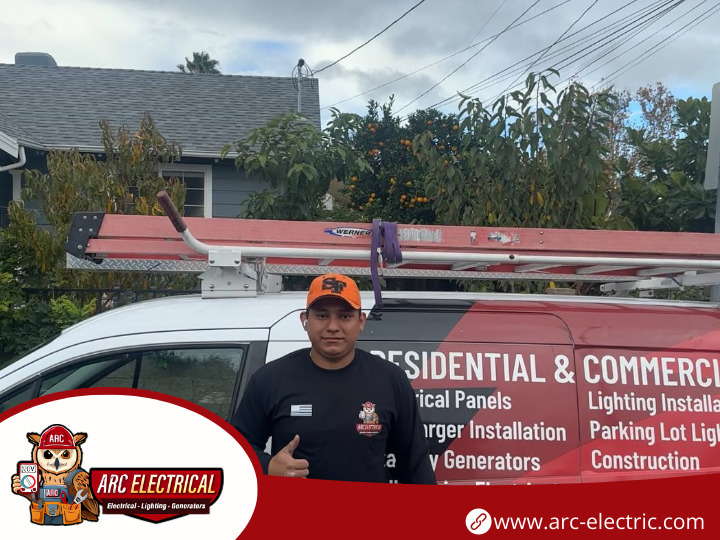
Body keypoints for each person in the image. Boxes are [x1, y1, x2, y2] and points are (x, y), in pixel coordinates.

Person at [232, 273, 436, 484]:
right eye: (322, 315)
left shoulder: (390, 380)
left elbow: (416, 467)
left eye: (345, 316)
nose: (332, 326)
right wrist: (267, 467)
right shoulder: (270, 379)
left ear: (361, 321)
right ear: (304, 320)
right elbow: (235, 449)